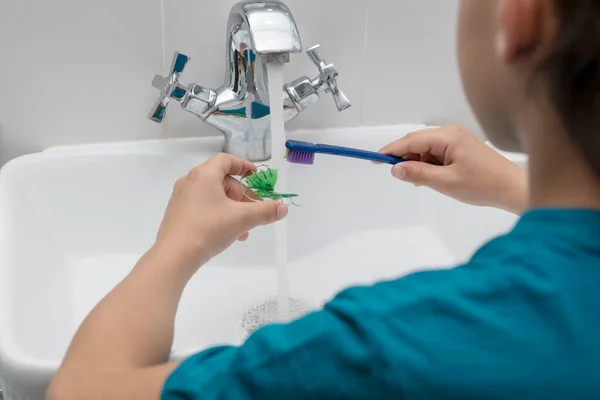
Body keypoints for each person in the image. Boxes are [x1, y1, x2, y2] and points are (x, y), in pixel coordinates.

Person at [46, 0, 600, 398]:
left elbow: (82, 389)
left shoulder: (387, 343)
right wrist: (516, 189)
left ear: (523, 16)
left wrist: (176, 247)